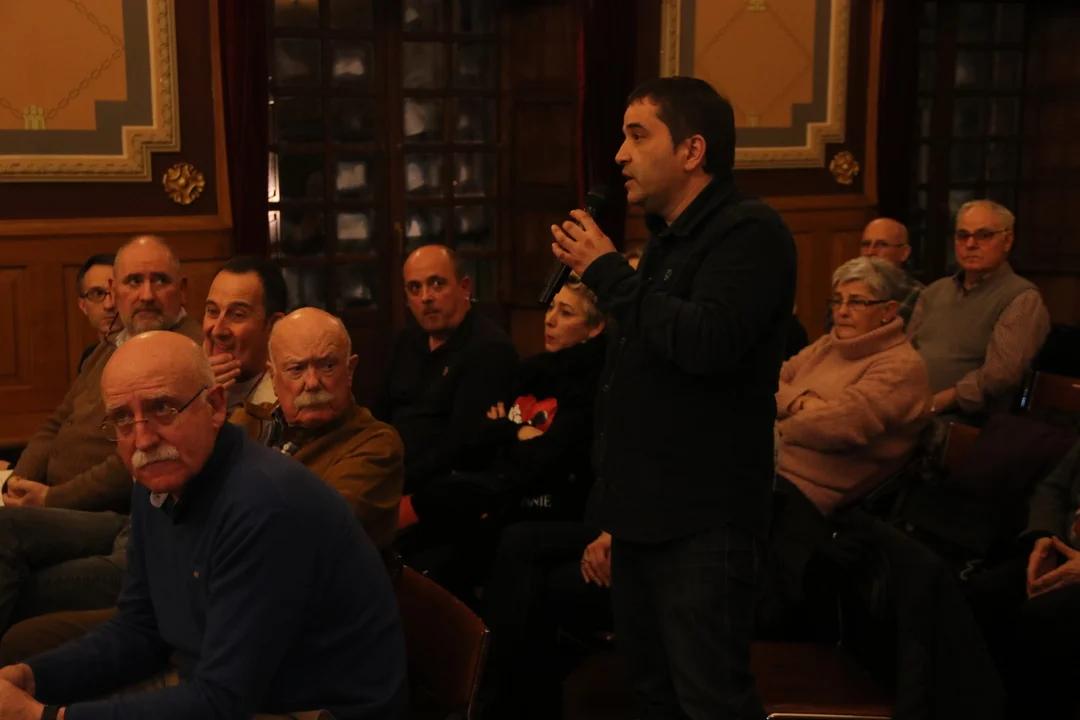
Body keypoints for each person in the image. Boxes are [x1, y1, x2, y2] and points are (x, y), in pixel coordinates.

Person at [550, 76, 796, 719]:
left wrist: (607, 272)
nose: (620, 155)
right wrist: (613, 514)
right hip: (642, 516)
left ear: (692, 150)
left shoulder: (749, 232)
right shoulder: (665, 238)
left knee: (710, 701)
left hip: (702, 520)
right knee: (653, 694)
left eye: (638, 136)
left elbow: (705, 342)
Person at [0, 331, 406, 719]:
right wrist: (31, 679)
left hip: (314, 708)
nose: (142, 440)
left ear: (214, 406)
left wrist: (46, 717)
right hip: (232, 688)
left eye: (163, 408)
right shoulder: (157, 482)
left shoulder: (264, 506)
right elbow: (141, 628)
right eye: (123, 418)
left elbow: (221, 702)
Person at [0, 236, 203, 638]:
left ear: (182, 290)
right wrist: (18, 482)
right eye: (134, 282)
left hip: (116, 516)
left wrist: (51, 499)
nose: (147, 295)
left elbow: (141, 455)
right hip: (57, 504)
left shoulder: (186, 352)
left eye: (160, 281)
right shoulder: (109, 345)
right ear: (115, 291)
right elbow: (57, 422)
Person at [769, 257, 931, 623]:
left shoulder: (900, 366)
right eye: (837, 300)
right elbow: (767, 379)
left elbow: (838, 426)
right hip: (775, 470)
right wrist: (802, 402)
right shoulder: (829, 345)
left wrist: (779, 425)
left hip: (821, 495)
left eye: (857, 302)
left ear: (888, 311)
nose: (842, 311)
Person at [479, 277, 608, 719]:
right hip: (520, 497)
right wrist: (514, 434)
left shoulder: (594, 382)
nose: (550, 319)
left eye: (566, 313)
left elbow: (554, 458)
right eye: (551, 308)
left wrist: (509, 432)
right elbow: (485, 435)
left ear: (595, 328)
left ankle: (495, 697)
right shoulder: (532, 370)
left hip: (571, 509)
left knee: (518, 547)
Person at [234, 307, 404, 550]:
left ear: (350, 370)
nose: (312, 382)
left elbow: (312, 532)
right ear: (273, 377)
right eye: (297, 369)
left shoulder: (376, 444)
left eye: (327, 366)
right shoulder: (245, 424)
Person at [374, 244, 518, 495]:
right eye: (415, 288)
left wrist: (392, 483)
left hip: (442, 487)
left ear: (464, 287)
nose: (426, 297)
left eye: (437, 284)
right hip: (389, 471)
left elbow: (462, 446)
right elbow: (379, 416)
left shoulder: (489, 349)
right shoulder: (407, 340)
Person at [910, 200, 1050, 425]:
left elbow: (999, 376)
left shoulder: (1021, 297)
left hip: (960, 421)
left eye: (984, 235)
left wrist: (937, 402)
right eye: (963, 235)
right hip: (908, 403)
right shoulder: (934, 291)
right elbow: (903, 352)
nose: (971, 244)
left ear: (1007, 241)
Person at [967, 438, 1080, 718]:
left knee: (1044, 617)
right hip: (1064, 548)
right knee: (986, 594)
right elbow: (1053, 488)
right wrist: (1044, 536)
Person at [202, 256, 286, 415]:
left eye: (237, 315)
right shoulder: (184, 383)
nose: (217, 330)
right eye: (212, 311)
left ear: (274, 325)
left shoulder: (287, 403)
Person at [824, 218, 924, 333]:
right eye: (866, 244)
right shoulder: (845, 289)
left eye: (882, 245)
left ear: (904, 253)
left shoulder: (920, 296)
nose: (870, 252)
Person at [74, 254, 118, 372]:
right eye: (98, 294)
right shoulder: (89, 357)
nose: (109, 305)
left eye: (116, 293)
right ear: (83, 306)